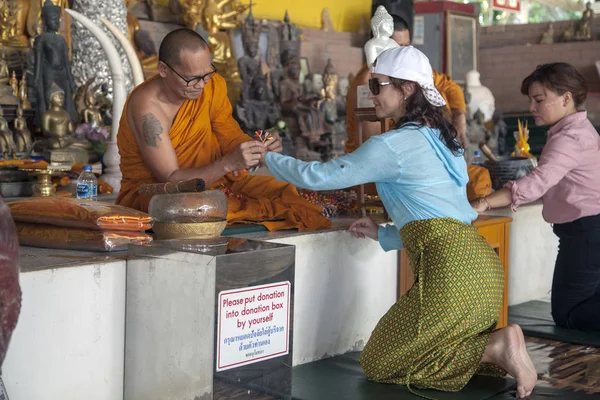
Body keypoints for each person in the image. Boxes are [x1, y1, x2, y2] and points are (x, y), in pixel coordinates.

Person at [263, 46, 536, 398]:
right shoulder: (444, 138)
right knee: (421, 354)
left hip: (451, 274)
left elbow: (320, 176)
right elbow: (443, 217)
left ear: (407, 89)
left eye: (377, 85)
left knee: (379, 363)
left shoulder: (391, 145)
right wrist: (385, 234)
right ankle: (496, 347)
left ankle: (494, 348)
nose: (370, 93)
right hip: (480, 269)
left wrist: (271, 158)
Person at [116, 28, 330, 232]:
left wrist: (256, 148)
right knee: (190, 209)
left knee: (283, 192)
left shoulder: (212, 87)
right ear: (163, 69)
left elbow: (227, 133)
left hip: (216, 183)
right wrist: (229, 163)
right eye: (192, 79)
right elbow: (171, 180)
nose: (201, 85)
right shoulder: (147, 109)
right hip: (159, 194)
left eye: (207, 74)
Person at [472, 63, 600, 331]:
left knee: (568, 313)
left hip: (587, 232)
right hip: (586, 231)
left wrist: (484, 202)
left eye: (539, 99)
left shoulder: (569, 138)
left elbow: (539, 181)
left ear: (566, 98)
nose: (531, 107)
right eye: (530, 100)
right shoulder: (576, 130)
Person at [346, 14, 467, 155]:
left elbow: (451, 87)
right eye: (399, 48)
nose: (407, 52)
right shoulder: (370, 83)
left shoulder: (411, 69)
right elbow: (373, 149)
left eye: (408, 46)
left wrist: (459, 116)